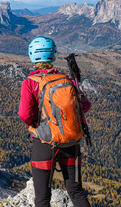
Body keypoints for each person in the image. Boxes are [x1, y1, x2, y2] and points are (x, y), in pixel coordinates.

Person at [18, 36, 91, 207]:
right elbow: (85, 106)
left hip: (44, 144)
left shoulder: (30, 83)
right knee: (76, 191)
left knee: (42, 197)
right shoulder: (68, 80)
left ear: (32, 55)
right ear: (53, 54)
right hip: (71, 143)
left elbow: (25, 115)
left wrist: (37, 123)